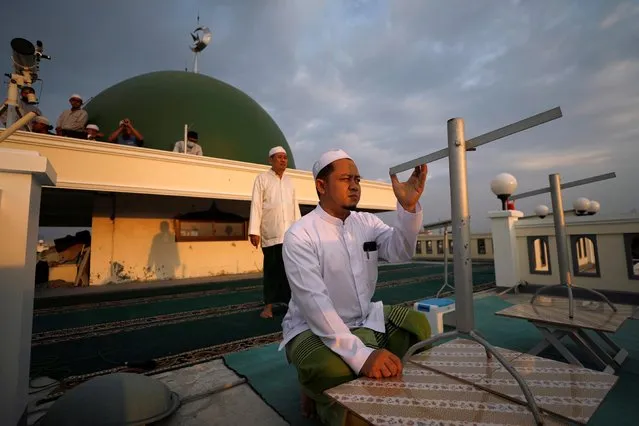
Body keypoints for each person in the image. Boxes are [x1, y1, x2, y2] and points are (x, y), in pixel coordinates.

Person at [280, 149, 431, 425]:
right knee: (333, 369)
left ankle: (346, 386)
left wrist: (408, 209)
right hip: (311, 327)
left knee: (418, 326)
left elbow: (400, 251)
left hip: (363, 319)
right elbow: (316, 306)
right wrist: (363, 356)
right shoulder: (300, 235)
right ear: (321, 186)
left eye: (357, 179)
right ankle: (320, 395)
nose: (354, 186)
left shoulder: (367, 222)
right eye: (346, 179)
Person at [248, 146, 301, 319]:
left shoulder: (289, 181)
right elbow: (256, 205)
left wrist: (300, 231)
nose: (283, 160)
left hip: (289, 236)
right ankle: (268, 307)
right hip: (270, 235)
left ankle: (291, 305)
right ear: (270, 160)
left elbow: (295, 207)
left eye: (285, 157)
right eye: (279, 157)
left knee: (290, 271)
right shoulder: (262, 179)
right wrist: (254, 230)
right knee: (271, 272)